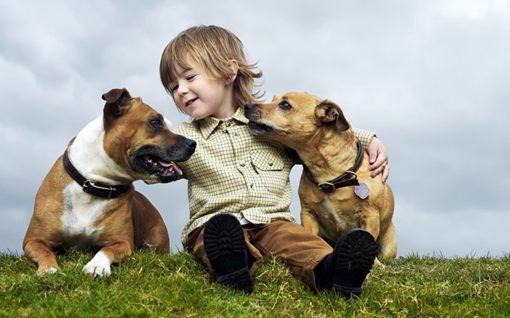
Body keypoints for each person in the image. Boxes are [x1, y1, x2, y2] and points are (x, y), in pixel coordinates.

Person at [159, 25, 389, 298]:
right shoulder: (182, 137)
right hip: (215, 222)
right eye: (173, 87)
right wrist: (157, 166)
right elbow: (149, 153)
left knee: (301, 242)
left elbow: (318, 136)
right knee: (213, 237)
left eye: (189, 77)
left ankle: (333, 271)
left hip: (273, 222)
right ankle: (232, 268)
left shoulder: (273, 129)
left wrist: (368, 139)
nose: (181, 91)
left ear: (229, 73)